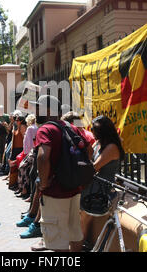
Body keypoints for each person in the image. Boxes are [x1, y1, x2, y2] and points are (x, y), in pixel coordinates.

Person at [32, 96, 93, 252]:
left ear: (47, 110)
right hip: (74, 190)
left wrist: (44, 183)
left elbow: (43, 156)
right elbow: (89, 150)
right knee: (75, 233)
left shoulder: (45, 129)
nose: (36, 110)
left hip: (55, 193)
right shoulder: (71, 127)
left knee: (58, 242)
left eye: (38, 107)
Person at [80, 115, 124, 246]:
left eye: (94, 128)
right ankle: (79, 243)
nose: (92, 130)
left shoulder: (111, 147)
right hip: (92, 183)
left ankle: (77, 246)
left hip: (101, 188)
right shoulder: (99, 143)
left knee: (83, 217)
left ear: (104, 131)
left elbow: (94, 167)